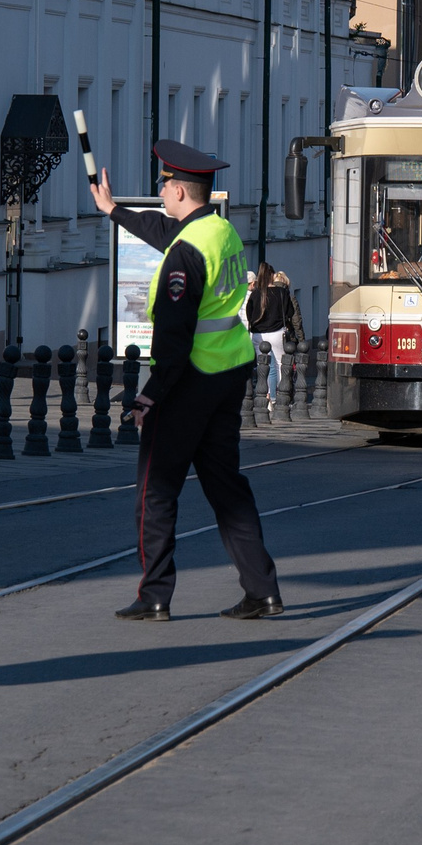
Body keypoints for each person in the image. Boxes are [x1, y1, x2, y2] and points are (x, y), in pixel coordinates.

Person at [90, 141, 281, 622]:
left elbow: (173, 342)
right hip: (228, 376)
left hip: (188, 383)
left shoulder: (183, 256)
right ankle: (263, 591)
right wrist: (114, 210)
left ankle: (154, 595)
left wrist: (148, 397)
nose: (159, 196)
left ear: (176, 190)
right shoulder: (220, 231)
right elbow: (165, 233)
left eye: (162, 188)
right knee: (226, 488)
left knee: (156, 491)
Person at [245, 260, 296, 413]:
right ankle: (281, 396)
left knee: (263, 367)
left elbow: (249, 314)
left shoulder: (255, 294)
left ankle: (266, 397)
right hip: (276, 333)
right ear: (271, 276)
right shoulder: (281, 293)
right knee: (281, 365)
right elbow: (290, 313)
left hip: (258, 335)